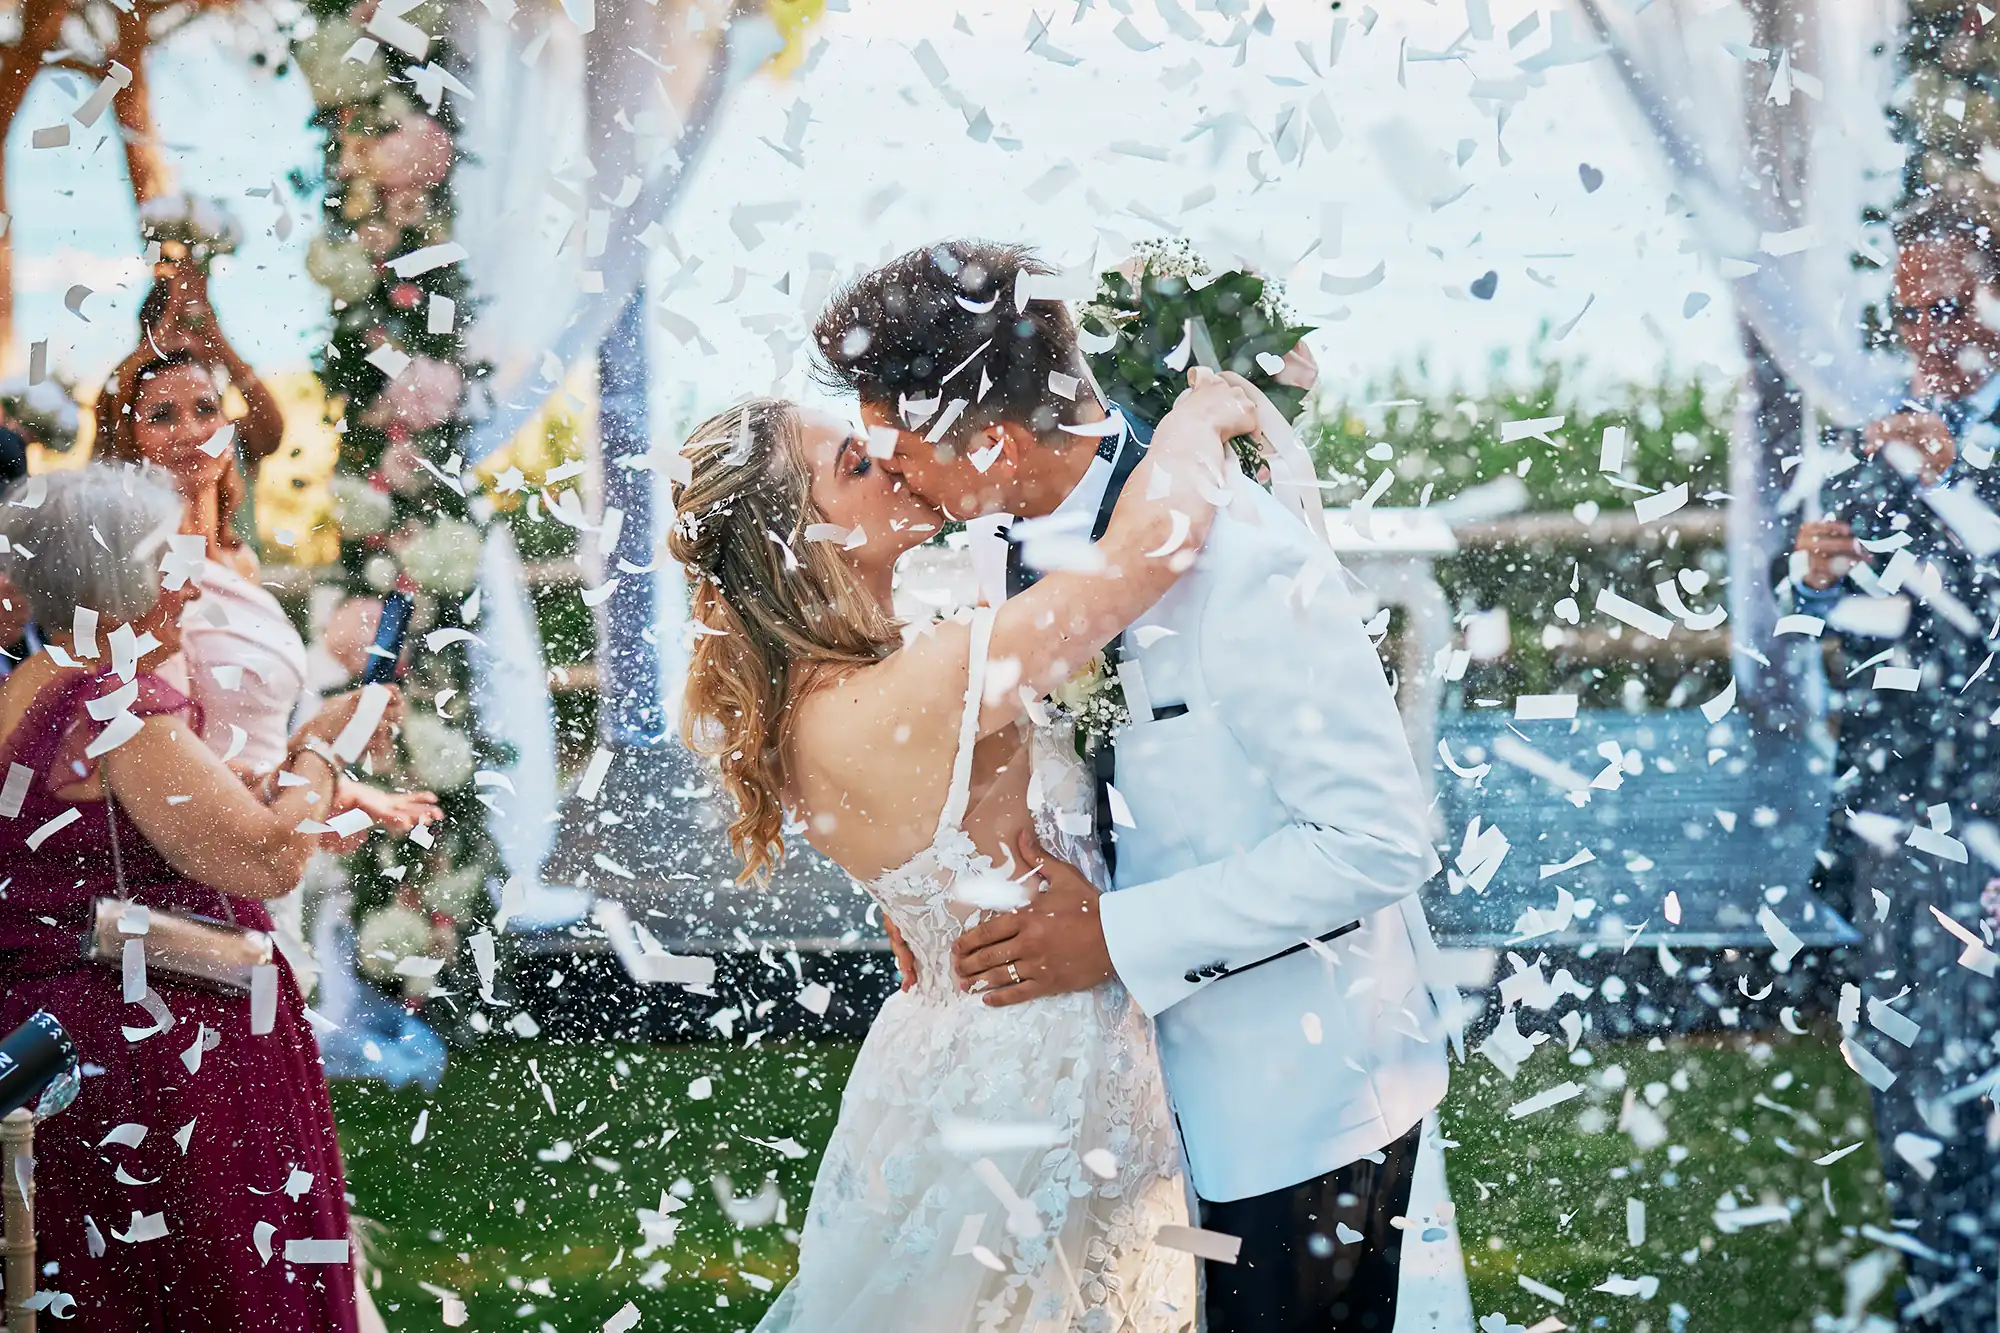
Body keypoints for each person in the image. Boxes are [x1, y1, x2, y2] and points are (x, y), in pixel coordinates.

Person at [814, 240, 1453, 1333]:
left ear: (997, 441)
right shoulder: (982, 550)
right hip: (1105, 1117)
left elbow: (1378, 839)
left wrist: (1114, 935)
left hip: (1288, 1114)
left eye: (898, 445)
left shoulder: (1243, 559)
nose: (892, 473)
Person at [671, 368, 1267, 1330]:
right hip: (1037, 1061)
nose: (896, 459)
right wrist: (1202, 411)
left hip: (949, 1045)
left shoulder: (809, 707)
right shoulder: (934, 675)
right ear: (795, 539)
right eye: (854, 463)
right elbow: (1147, 555)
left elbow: (920, 841)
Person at [0, 463, 400, 1331]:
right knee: (207, 1289)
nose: (186, 582)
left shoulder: (30, 686)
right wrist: (323, 753)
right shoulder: (117, 705)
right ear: (119, 574)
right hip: (154, 1062)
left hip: (63, 1049)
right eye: (167, 557)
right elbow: (268, 858)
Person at [1781, 216, 2000, 1331]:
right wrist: (1814, 575)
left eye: (1948, 310)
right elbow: (1854, 622)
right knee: (1912, 1090)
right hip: (1896, 830)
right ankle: (1939, 1308)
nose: (1925, 338)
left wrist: (1971, 482)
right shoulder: (1889, 441)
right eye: (1907, 315)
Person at [98, 349, 438, 988]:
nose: (192, 430)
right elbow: (162, 756)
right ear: (128, 443)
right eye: (162, 416)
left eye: (206, 409)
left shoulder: (239, 561)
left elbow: (246, 737)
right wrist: (319, 751)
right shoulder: (137, 578)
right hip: (190, 865)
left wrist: (334, 794)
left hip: (268, 839)